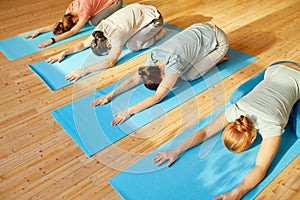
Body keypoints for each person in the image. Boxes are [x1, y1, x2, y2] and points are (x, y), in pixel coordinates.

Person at [152, 64, 300, 200]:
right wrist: (176, 150)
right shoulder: (236, 110)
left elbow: (260, 167)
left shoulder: (271, 127)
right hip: (276, 69)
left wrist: (237, 193)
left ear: (253, 137)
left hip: (292, 74)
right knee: (235, 97)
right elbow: (204, 133)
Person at [91, 22, 229, 126]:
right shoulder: (153, 58)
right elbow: (134, 80)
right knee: (185, 69)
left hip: (218, 40)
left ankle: (216, 57)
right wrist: (110, 95)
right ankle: (207, 55)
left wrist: (129, 111)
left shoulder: (174, 65)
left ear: (162, 78)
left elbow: (157, 97)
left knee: (189, 76)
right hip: (199, 27)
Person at [46, 3, 166, 81]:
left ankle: (159, 35)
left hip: (154, 19)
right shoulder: (99, 29)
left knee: (132, 45)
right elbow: (83, 44)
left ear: (109, 44)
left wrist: (83, 71)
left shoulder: (116, 36)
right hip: (139, 10)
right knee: (128, 38)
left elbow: (110, 62)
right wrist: (64, 52)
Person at [24, 0, 123, 48]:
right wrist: (38, 31)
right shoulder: (70, 10)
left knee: (93, 22)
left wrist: (52, 40)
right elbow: (59, 23)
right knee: (91, 18)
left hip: (116, 2)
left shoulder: (84, 12)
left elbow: (72, 32)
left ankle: (111, 8)